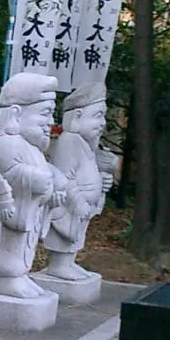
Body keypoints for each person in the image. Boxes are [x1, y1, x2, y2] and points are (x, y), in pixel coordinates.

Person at [0, 73, 65, 298]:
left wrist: (52, 193)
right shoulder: (5, 144)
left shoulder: (34, 150)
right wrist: (32, 180)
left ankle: (19, 276)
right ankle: (4, 279)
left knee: (24, 248)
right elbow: (9, 174)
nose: (51, 122)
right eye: (46, 114)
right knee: (10, 247)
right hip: (11, 216)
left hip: (29, 216)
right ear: (16, 114)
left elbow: (48, 177)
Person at [44, 83, 112, 280]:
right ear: (78, 116)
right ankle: (59, 265)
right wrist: (78, 201)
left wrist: (102, 182)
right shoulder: (69, 141)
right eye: (98, 115)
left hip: (82, 209)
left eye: (103, 116)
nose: (103, 123)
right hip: (70, 208)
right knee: (65, 236)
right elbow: (63, 178)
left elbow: (86, 173)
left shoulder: (86, 146)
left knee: (76, 237)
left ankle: (68, 262)